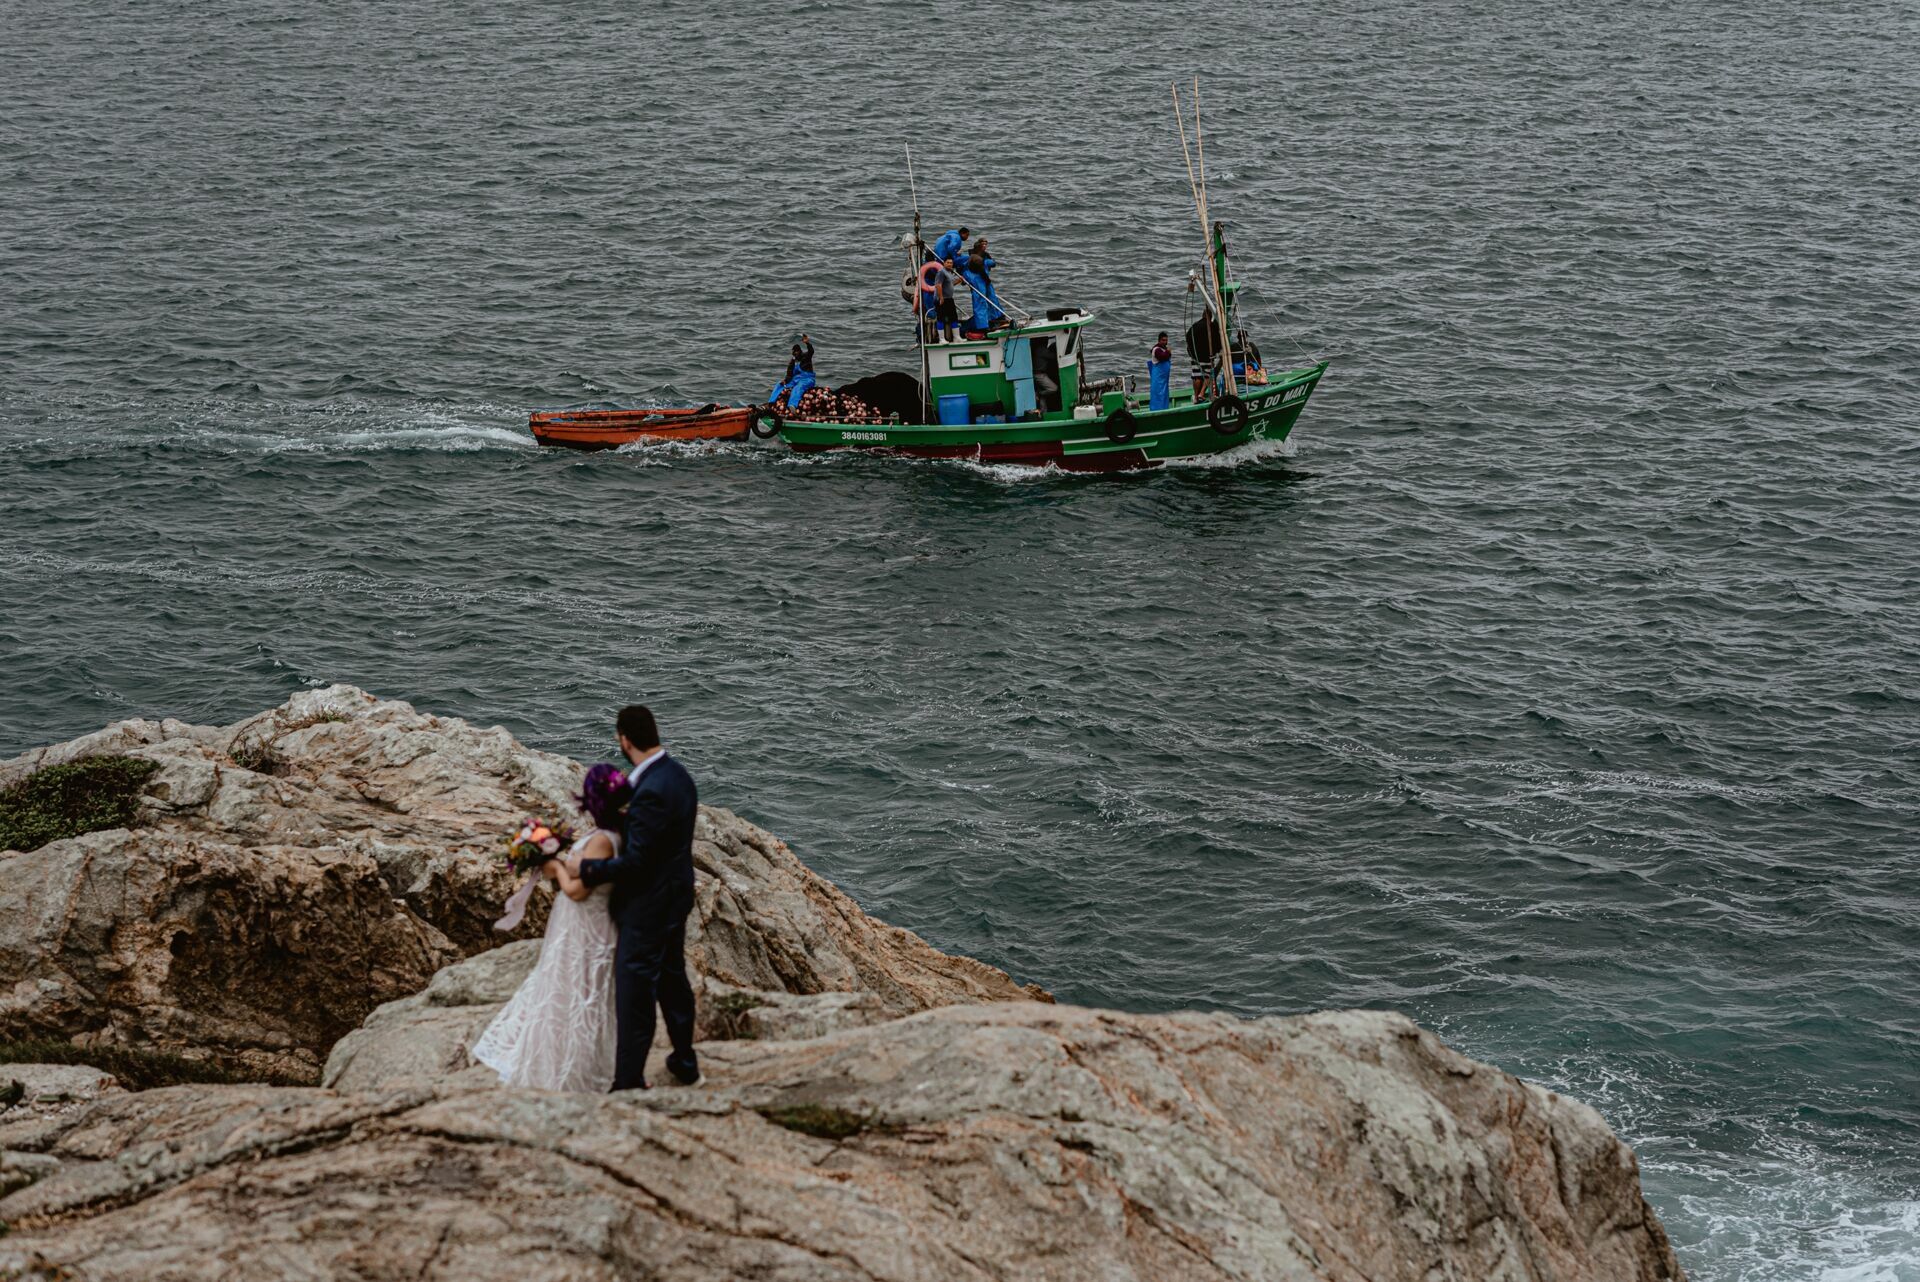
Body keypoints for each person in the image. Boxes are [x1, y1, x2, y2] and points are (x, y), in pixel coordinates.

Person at [469, 763, 630, 1092]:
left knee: (581, 992)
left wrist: (554, 866)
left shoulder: (602, 841)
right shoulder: (610, 833)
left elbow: (579, 890)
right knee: (570, 988)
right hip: (578, 923)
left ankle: (574, 1068)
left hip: (588, 925)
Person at [568, 705, 701, 1092]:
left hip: (649, 906)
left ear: (624, 739)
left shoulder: (651, 790)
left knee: (635, 991)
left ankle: (628, 1081)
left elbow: (638, 862)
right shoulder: (678, 776)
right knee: (674, 981)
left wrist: (587, 870)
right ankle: (685, 1060)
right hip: (677, 896)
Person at [962, 238, 1004, 332]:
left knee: (992, 298)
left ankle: (996, 317)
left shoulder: (984, 256)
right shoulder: (975, 258)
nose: (985, 246)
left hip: (983, 280)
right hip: (978, 279)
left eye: (986, 244)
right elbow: (985, 268)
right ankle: (982, 325)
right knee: (980, 301)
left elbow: (991, 264)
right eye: (983, 244)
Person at [769, 335, 816, 409]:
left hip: (807, 379)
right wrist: (785, 381)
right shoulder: (793, 361)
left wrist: (807, 343)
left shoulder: (806, 357)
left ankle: (792, 405)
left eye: (796, 352)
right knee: (779, 385)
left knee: (798, 387)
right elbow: (789, 374)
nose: (795, 354)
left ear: (799, 351)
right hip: (795, 379)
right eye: (794, 353)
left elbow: (811, 351)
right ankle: (771, 402)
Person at [1185, 306, 1222, 400]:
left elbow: (1188, 339)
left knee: (1196, 376)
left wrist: (1191, 353)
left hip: (1195, 356)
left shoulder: (1194, 327)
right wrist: (1217, 351)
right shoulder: (1211, 326)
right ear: (1210, 316)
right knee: (1208, 375)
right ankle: (1202, 393)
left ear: (1202, 315)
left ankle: (1196, 397)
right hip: (1207, 356)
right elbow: (1217, 340)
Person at [1148, 332, 1173, 411]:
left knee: (1164, 394)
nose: (1165, 342)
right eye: (1163, 340)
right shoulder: (1156, 349)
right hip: (1158, 378)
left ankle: (1164, 408)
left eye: (1166, 340)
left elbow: (1167, 356)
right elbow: (1162, 357)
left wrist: (1168, 352)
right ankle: (1156, 409)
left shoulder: (1163, 349)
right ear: (1159, 340)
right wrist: (1168, 352)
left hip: (1164, 379)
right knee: (1158, 393)